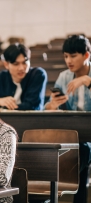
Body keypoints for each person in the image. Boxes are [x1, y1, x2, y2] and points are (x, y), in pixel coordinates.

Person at [45, 35, 91, 203]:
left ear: (86, 55)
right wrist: (51, 106)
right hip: (72, 132)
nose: (68, 61)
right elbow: (50, 107)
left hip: (88, 136)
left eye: (73, 56)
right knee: (78, 147)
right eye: (66, 56)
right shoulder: (64, 77)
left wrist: (88, 82)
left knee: (83, 148)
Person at [0, 43, 47, 110]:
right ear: (6, 64)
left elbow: (32, 106)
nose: (21, 68)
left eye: (24, 62)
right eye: (16, 64)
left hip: (31, 119)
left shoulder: (37, 74)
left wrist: (4, 109)